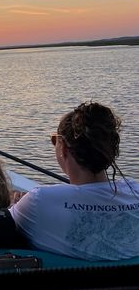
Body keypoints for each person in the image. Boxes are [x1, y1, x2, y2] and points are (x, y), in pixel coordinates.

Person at [10, 101, 139, 260]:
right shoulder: (136, 191)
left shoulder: (39, 201)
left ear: (63, 148)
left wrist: (16, 203)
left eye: (54, 141)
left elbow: (1, 226)